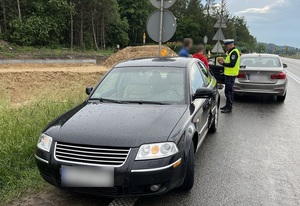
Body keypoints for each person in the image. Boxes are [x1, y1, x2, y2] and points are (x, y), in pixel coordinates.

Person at [217, 39, 241, 113]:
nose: (226, 47)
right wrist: (224, 62)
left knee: (229, 91)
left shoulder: (234, 53)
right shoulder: (231, 52)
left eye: (227, 46)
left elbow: (232, 64)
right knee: (227, 91)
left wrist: (223, 64)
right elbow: (229, 62)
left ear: (231, 45)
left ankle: (229, 107)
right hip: (228, 74)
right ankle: (227, 105)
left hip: (231, 74)